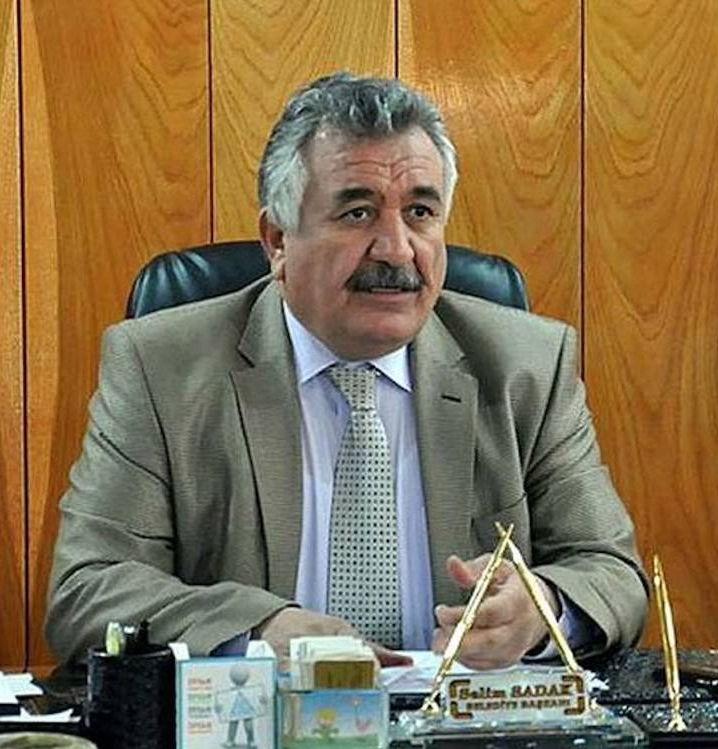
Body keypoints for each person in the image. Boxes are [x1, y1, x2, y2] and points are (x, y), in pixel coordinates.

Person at [45, 73, 648, 669]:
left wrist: (543, 608)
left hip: (457, 718)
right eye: (358, 214)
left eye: (420, 212)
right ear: (278, 240)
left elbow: (611, 573)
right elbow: (88, 589)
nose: (397, 249)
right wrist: (257, 631)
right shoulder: (162, 370)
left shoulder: (526, 367)